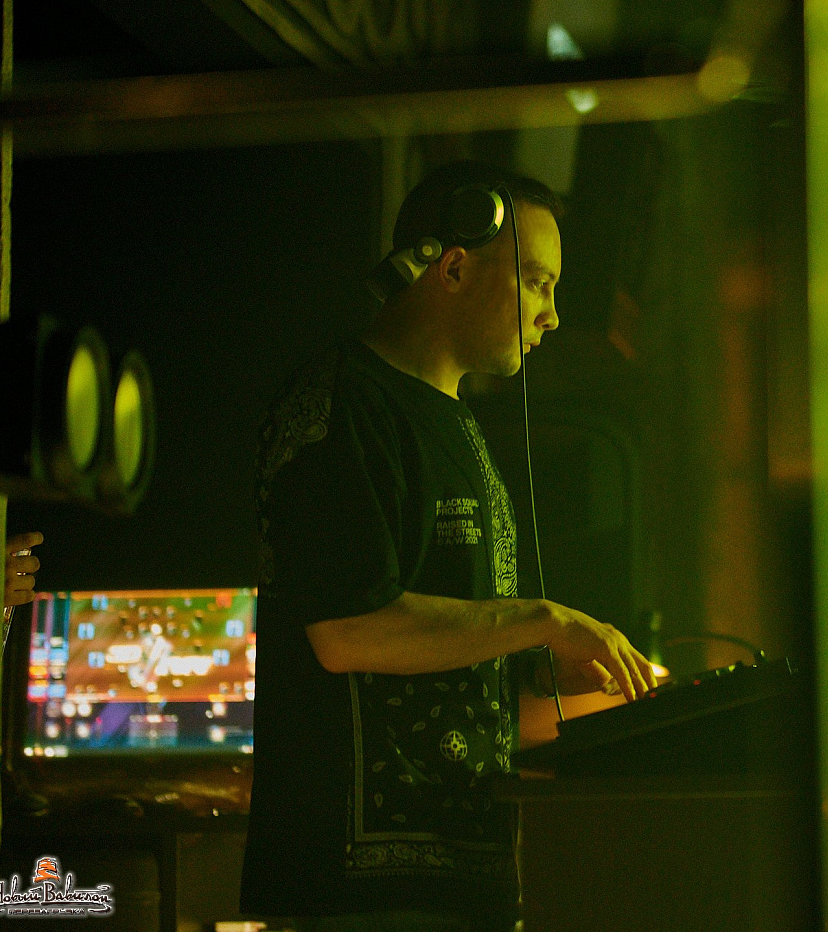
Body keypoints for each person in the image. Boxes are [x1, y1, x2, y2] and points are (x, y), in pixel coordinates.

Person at [240, 162, 657, 932]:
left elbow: (445, 648)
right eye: (537, 283)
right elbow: (348, 630)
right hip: (365, 891)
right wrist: (542, 620)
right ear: (454, 268)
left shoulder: (456, 421)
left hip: (457, 877)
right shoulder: (343, 405)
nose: (552, 316)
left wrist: (554, 672)